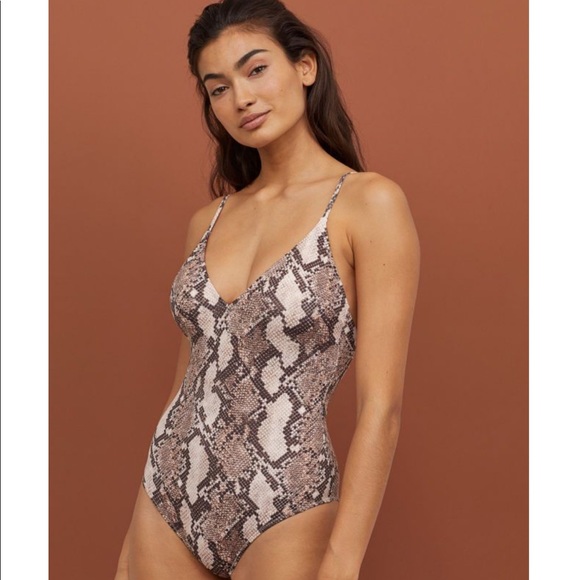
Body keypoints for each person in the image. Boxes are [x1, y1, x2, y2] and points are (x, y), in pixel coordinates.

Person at [115, 0, 420, 578]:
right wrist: (132, 541)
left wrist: (341, 564)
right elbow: (188, 381)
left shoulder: (368, 204)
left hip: (285, 497)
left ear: (305, 66)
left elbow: (382, 407)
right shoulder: (207, 221)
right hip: (167, 493)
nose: (242, 98)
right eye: (218, 88)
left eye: (256, 69)